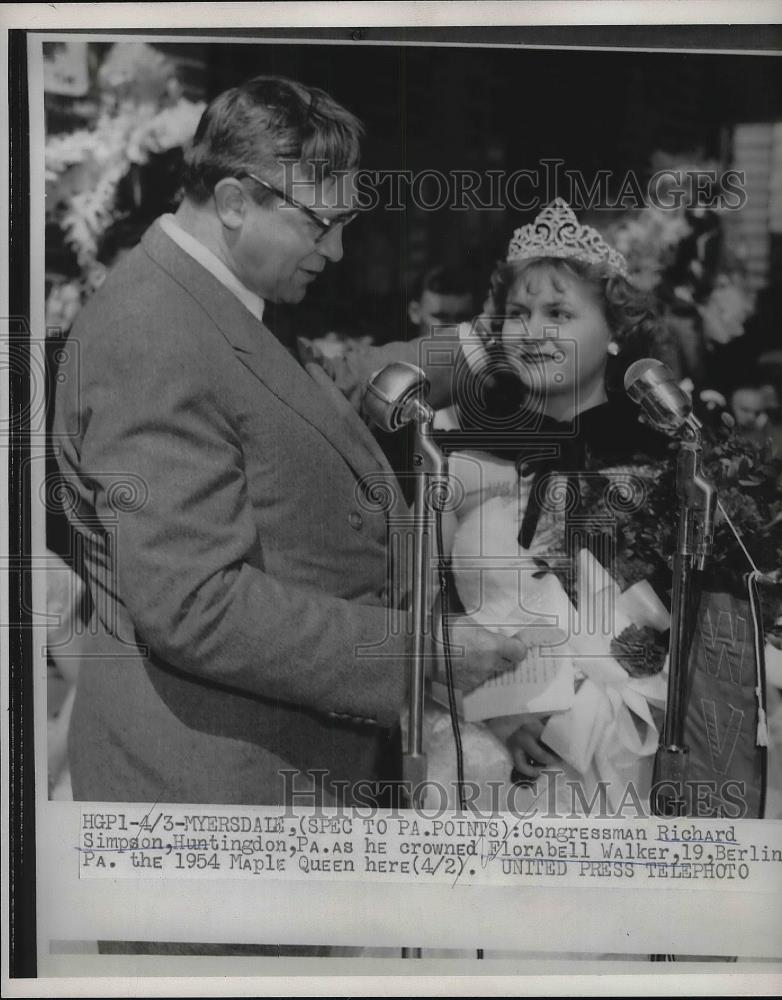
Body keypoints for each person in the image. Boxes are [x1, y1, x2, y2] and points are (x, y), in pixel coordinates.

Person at [53, 75, 528, 808]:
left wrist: (478, 346)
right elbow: (196, 604)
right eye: (320, 223)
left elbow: (308, 396)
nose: (337, 251)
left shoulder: (213, 292)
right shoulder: (152, 333)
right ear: (236, 202)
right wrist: (413, 651)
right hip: (214, 790)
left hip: (266, 768)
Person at [426, 199, 676, 813]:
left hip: (627, 756)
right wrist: (497, 710)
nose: (533, 332)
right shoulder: (451, 443)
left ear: (615, 333)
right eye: (519, 313)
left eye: (559, 312)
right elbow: (413, 612)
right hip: (484, 749)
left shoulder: (666, 459)